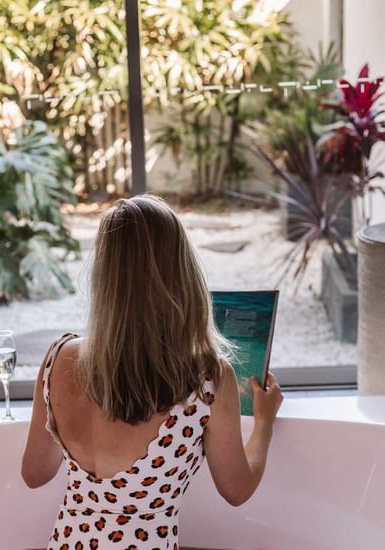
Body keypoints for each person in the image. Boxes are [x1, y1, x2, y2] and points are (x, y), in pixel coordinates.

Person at [22, 194, 283, 549]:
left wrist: (74, 431)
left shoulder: (58, 359)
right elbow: (236, 490)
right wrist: (264, 422)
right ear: (181, 274)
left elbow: (35, 474)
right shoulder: (206, 381)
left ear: (103, 278)